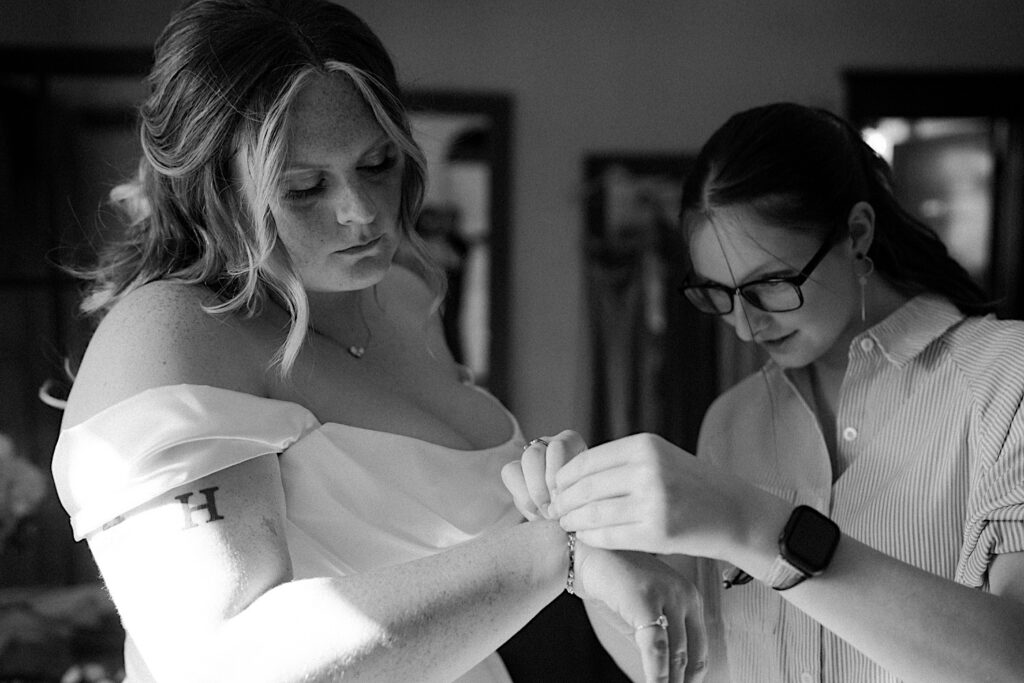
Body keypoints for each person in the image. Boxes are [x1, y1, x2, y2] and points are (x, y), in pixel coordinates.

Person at [48, 1, 707, 681]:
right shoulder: (170, 334)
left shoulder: (401, 292)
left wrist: (569, 502)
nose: (362, 213)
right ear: (212, 190)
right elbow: (223, 660)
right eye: (303, 187)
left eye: (377, 163)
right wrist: (556, 552)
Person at [505, 103, 1024, 682]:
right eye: (718, 294)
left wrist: (754, 525)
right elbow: (699, 670)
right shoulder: (733, 420)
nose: (746, 327)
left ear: (857, 234)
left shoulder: (1007, 379)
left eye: (770, 285)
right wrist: (592, 549)